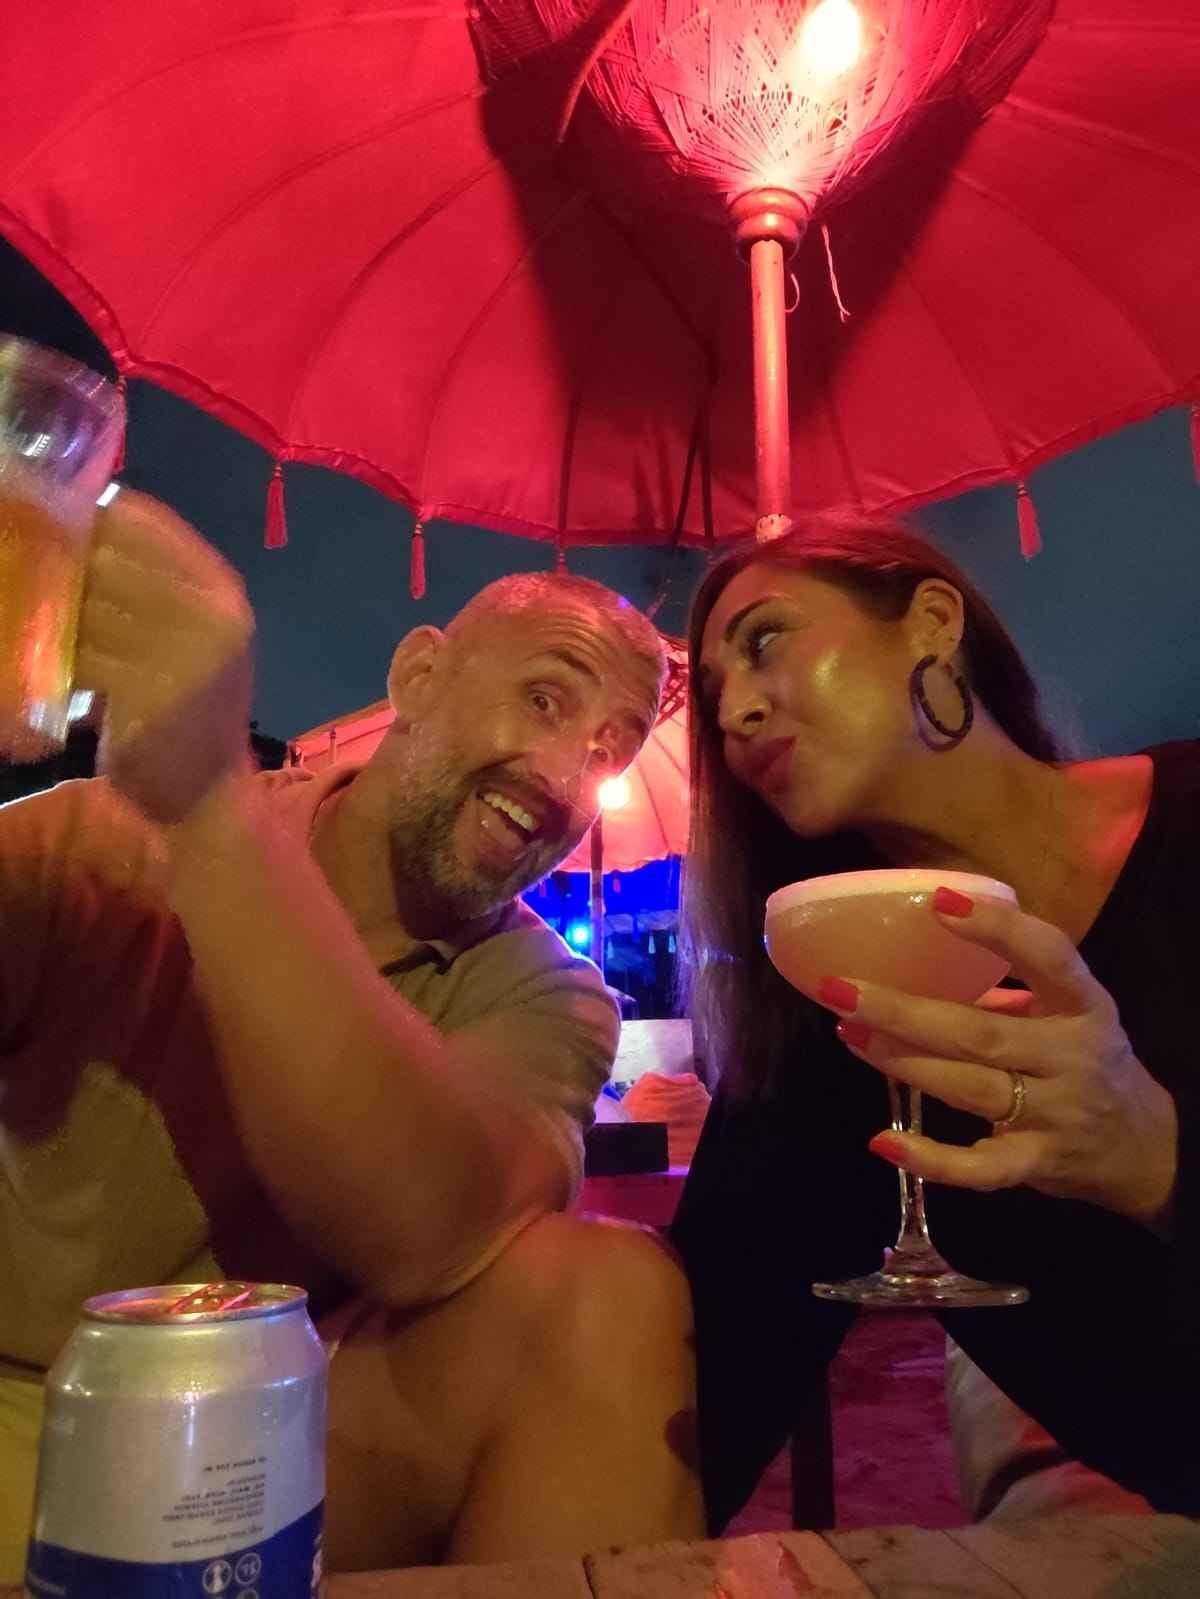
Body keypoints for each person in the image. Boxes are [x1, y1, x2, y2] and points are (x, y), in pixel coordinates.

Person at [0, 490, 703, 1578]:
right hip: (22, 1410)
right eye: (544, 699)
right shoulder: (101, 841)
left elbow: (429, 1227)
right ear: (417, 676)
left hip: (279, 1448)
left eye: (610, 748)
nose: (566, 778)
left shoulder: (549, 993)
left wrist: (214, 816)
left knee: (613, 1296)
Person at [670, 511, 1199, 1533]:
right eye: (712, 694)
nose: (733, 712)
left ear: (931, 621)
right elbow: (710, 1378)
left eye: (765, 640)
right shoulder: (826, 1035)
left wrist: (1158, 1161)